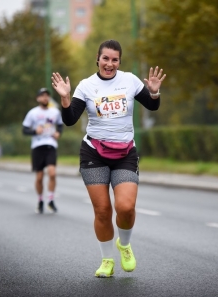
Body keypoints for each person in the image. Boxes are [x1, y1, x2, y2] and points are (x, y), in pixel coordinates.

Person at [51, 39, 166, 277]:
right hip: (93, 152)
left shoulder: (130, 81)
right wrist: (65, 98)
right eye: (106, 58)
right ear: (98, 58)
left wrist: (154, 93)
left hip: (125, 153)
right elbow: (70, 119)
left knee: (125, 207)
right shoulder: (86, 85)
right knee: (102, 210)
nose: (110, 64)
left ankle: (124, 244)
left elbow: (152, 107)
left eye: (115, 59)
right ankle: (106, 261)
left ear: (119, 62)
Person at [22, 87, 63, 214]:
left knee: (52, 173)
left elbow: (60, 125)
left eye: (47, 95)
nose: (45, 98)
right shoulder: (32, 113)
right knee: (39, 177)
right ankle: (40, 200)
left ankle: (50, 199)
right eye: (42, 95)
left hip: (50, 145)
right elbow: (24, 130)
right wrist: (35, 131)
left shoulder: (55, 112)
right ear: (38, 98)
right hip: (37, 146)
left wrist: (58, 133)